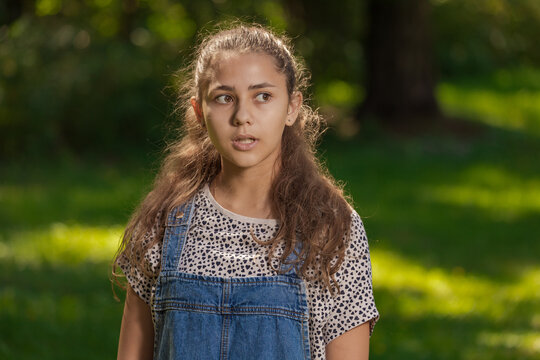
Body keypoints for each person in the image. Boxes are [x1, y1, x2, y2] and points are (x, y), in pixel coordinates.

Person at [113, 23, 379, 360]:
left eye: (263, 96)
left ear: (292, 107)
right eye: (224, 98)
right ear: (199, 112)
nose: (242, 117)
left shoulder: (330, 229)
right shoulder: (161, 226)